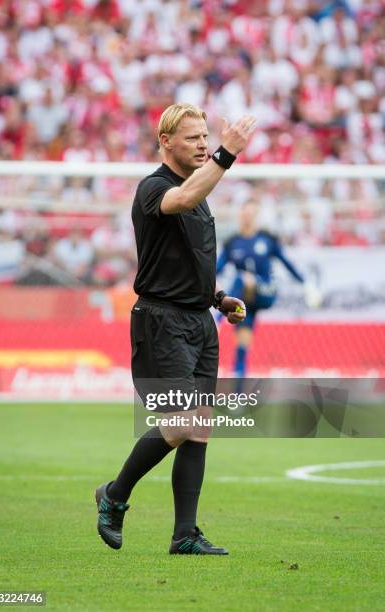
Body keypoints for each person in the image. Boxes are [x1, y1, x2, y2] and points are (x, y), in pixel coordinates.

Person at [95, 103, 256, 555]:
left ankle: (185, 533)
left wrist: (218, 299)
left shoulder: (200, 192)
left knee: (199, 426)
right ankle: (115, 493)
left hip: (199, 321)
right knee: (182, 421)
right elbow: (180, 200)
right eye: (193, 138)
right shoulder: (154, 188)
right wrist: (228, 153)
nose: (203, 144)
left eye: (206, 136)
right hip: (161, 321)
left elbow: (185, 260)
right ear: (166, 142)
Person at [216, 200, 305, 380]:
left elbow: (286, 263)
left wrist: (305, 282)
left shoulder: (266, 240)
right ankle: (238, 396)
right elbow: (216, 270)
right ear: (240, 215)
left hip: (266, 292)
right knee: (242, 345)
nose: (247, 217)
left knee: (241, 278)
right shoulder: (233, 243)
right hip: (246, 301)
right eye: (244, 213)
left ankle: (217, 319)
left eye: (251, 213)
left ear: (256, 216)